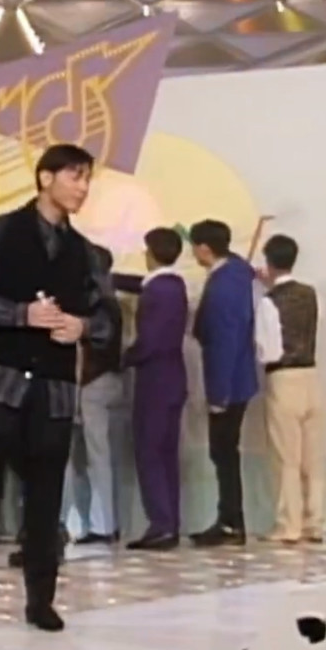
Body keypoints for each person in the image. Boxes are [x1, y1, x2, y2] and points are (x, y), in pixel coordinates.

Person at [0, 144, 118, 632]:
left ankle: (40, 599)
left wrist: (82, 327)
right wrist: (20, 314)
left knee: (46, 491)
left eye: (87, 179)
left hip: (54, 384)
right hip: (0, 378)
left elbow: (109, 317)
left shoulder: (86, 252)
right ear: (45, 178)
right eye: (74, 176)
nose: (82, 188)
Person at [188, 219, 259, 548]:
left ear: (204, 248)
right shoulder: (237, 274)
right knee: (225, 451)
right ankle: (230, 519)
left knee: (223, 452)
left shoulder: (224, 284)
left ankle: (231, 521)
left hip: (229, 382)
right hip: (238, 378)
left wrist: (219, 393)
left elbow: (224, 341)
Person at [255, 235, 326, 543]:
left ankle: (289, 525)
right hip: (311, 376)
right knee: (313, 459)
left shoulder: (269, 301)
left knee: (286, 458)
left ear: (268, 262)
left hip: (283, 380)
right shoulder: (311, 294)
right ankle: (315, 523)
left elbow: (268, 351)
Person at [123, 227, 191, 549]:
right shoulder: (174, 285)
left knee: (149, 451)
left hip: (155, 380)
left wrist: (123, 359)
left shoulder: (158, 291)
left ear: (150, 253)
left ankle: (161, 523)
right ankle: (169, 523)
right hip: (173, 377)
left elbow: (150, 340)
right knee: (166, 454)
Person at [65, 242, 130, 545]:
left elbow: (85, 348)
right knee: (94, 457)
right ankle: (98, 522)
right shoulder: (110, 300)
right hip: (106, 380)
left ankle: (101, 524)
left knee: (95, 456)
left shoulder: (93, 303)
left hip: (91, 383)